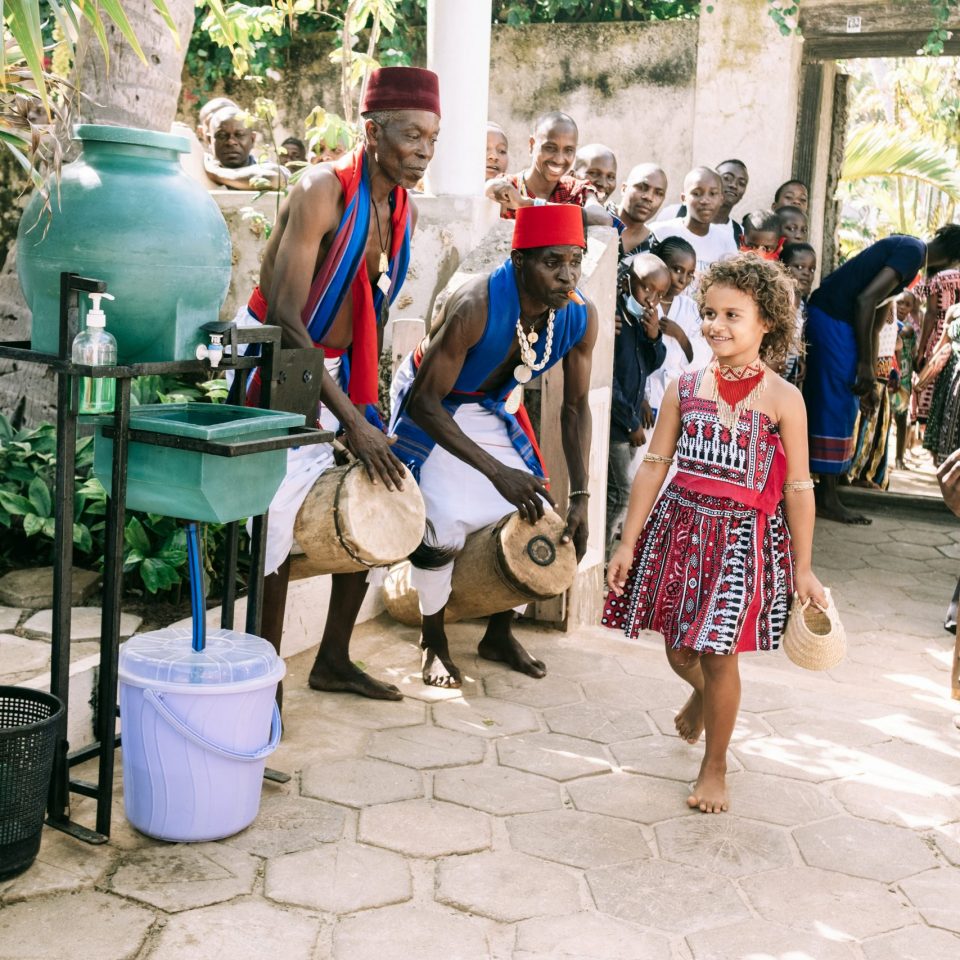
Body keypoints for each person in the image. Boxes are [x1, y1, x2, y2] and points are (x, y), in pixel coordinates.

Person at [240, 66, 442, 702]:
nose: (424, 151)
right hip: (274, 357)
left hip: (335, 366)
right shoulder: (322, 188)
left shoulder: (400, 205)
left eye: (433, 139)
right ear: (372, 130)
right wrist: (350, 422)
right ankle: (265, 678)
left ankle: (331, 658)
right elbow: (285, 318)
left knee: (373, 488)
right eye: (412, 135)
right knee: (275, 515)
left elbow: (371, 315)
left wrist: (367, 407)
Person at [604, 254, 825, 814]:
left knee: (718, 654)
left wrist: (804, 566)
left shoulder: (783, 398)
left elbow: (799, 488)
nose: (716, 325)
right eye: (709, 313)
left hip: (742, 542)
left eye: (733, 314)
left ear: (766, 322)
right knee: (682, 653)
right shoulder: (684, 385)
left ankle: (716, 766)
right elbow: (655, 462)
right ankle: (705, 699)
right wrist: (627, 541)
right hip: (680, 531)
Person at [390, 204, 596, 688]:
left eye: (574, 261)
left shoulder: (579, 316)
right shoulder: (475, 305)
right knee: (443, 522)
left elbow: (575, 408)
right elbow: (424, 402)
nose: (566, 275)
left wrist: (582, 496)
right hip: (436, 401)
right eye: (552, 262)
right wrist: (496, 472)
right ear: (520, 260)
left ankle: (499, 634)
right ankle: (433, 640)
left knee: (538, 513)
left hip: (491, 405)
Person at [805, 226, 960, 523]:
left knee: (847, 398)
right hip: (832, 319)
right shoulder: (913, 251)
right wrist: (864, 364)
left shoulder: (913, 258)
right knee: (835, 401)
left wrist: (870, 372)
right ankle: (825, 497)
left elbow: (875, 316)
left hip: (841, 323)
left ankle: (827, 492)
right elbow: (865, 300)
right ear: (953, 257)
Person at [606, 253, 671, 555]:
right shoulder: (616, 319)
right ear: (626, 281)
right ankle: (602, 555)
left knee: (614, 492)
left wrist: (654, 335)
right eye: (647, 289)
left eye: (659, 294)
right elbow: (610, 378)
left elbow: (653, 364)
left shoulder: (640, 321)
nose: (651, 299)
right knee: (621, 493)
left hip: (629, 422)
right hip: (617, 426)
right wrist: (630, 422)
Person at [484, 112, 612, 225]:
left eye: (568, 150)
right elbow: (490, 188)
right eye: (550, 148)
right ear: (532, 145)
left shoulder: (576, 190)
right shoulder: (510, 187)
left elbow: (602, 218)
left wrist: (527, 204)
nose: (559, 159)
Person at [650, 167, 738, 293]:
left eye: (713, 194)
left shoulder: (726, 241)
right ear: (683, 198)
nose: (705, 200)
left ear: (721, 199)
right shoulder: (660, 232)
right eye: (696, 193)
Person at [847, 304, 898, 490]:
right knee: (864, 421)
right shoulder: (883, 291)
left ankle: (863, 472)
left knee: (874, 424)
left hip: (880, 365)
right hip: (871, 366)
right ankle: (853, 471)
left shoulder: (892, 295)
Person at [205, 105, 288, 190]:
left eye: (239, 135)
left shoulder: (269, 168)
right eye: (222, 135)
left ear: (252, 139)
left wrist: (216, 174)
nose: (231, 142)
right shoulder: (201, 167)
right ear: (209, 140)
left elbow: (274, 179)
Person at [611, 163, 668, 260]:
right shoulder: (595, 217)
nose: (649, 197)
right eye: (642, 187)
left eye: (658, 193)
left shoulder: (655, 250)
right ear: (624, 189)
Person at [779, 241, 817, 387]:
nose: (806, 273)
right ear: (782, 268)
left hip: (787, 375)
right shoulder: (777, 303)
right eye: (799, 267)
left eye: (812, 269)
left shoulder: (801, 305)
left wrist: (799, 358)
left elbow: (797, 336)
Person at [891, 293, 919, 470]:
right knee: (885, 419)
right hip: (888, 376)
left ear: (911, 308)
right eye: (899, 302)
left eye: (907, 304)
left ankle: (899, 458)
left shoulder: (908, 328)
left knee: (901, 419)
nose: (902, 307)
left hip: (904, 379)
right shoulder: (891, 322)